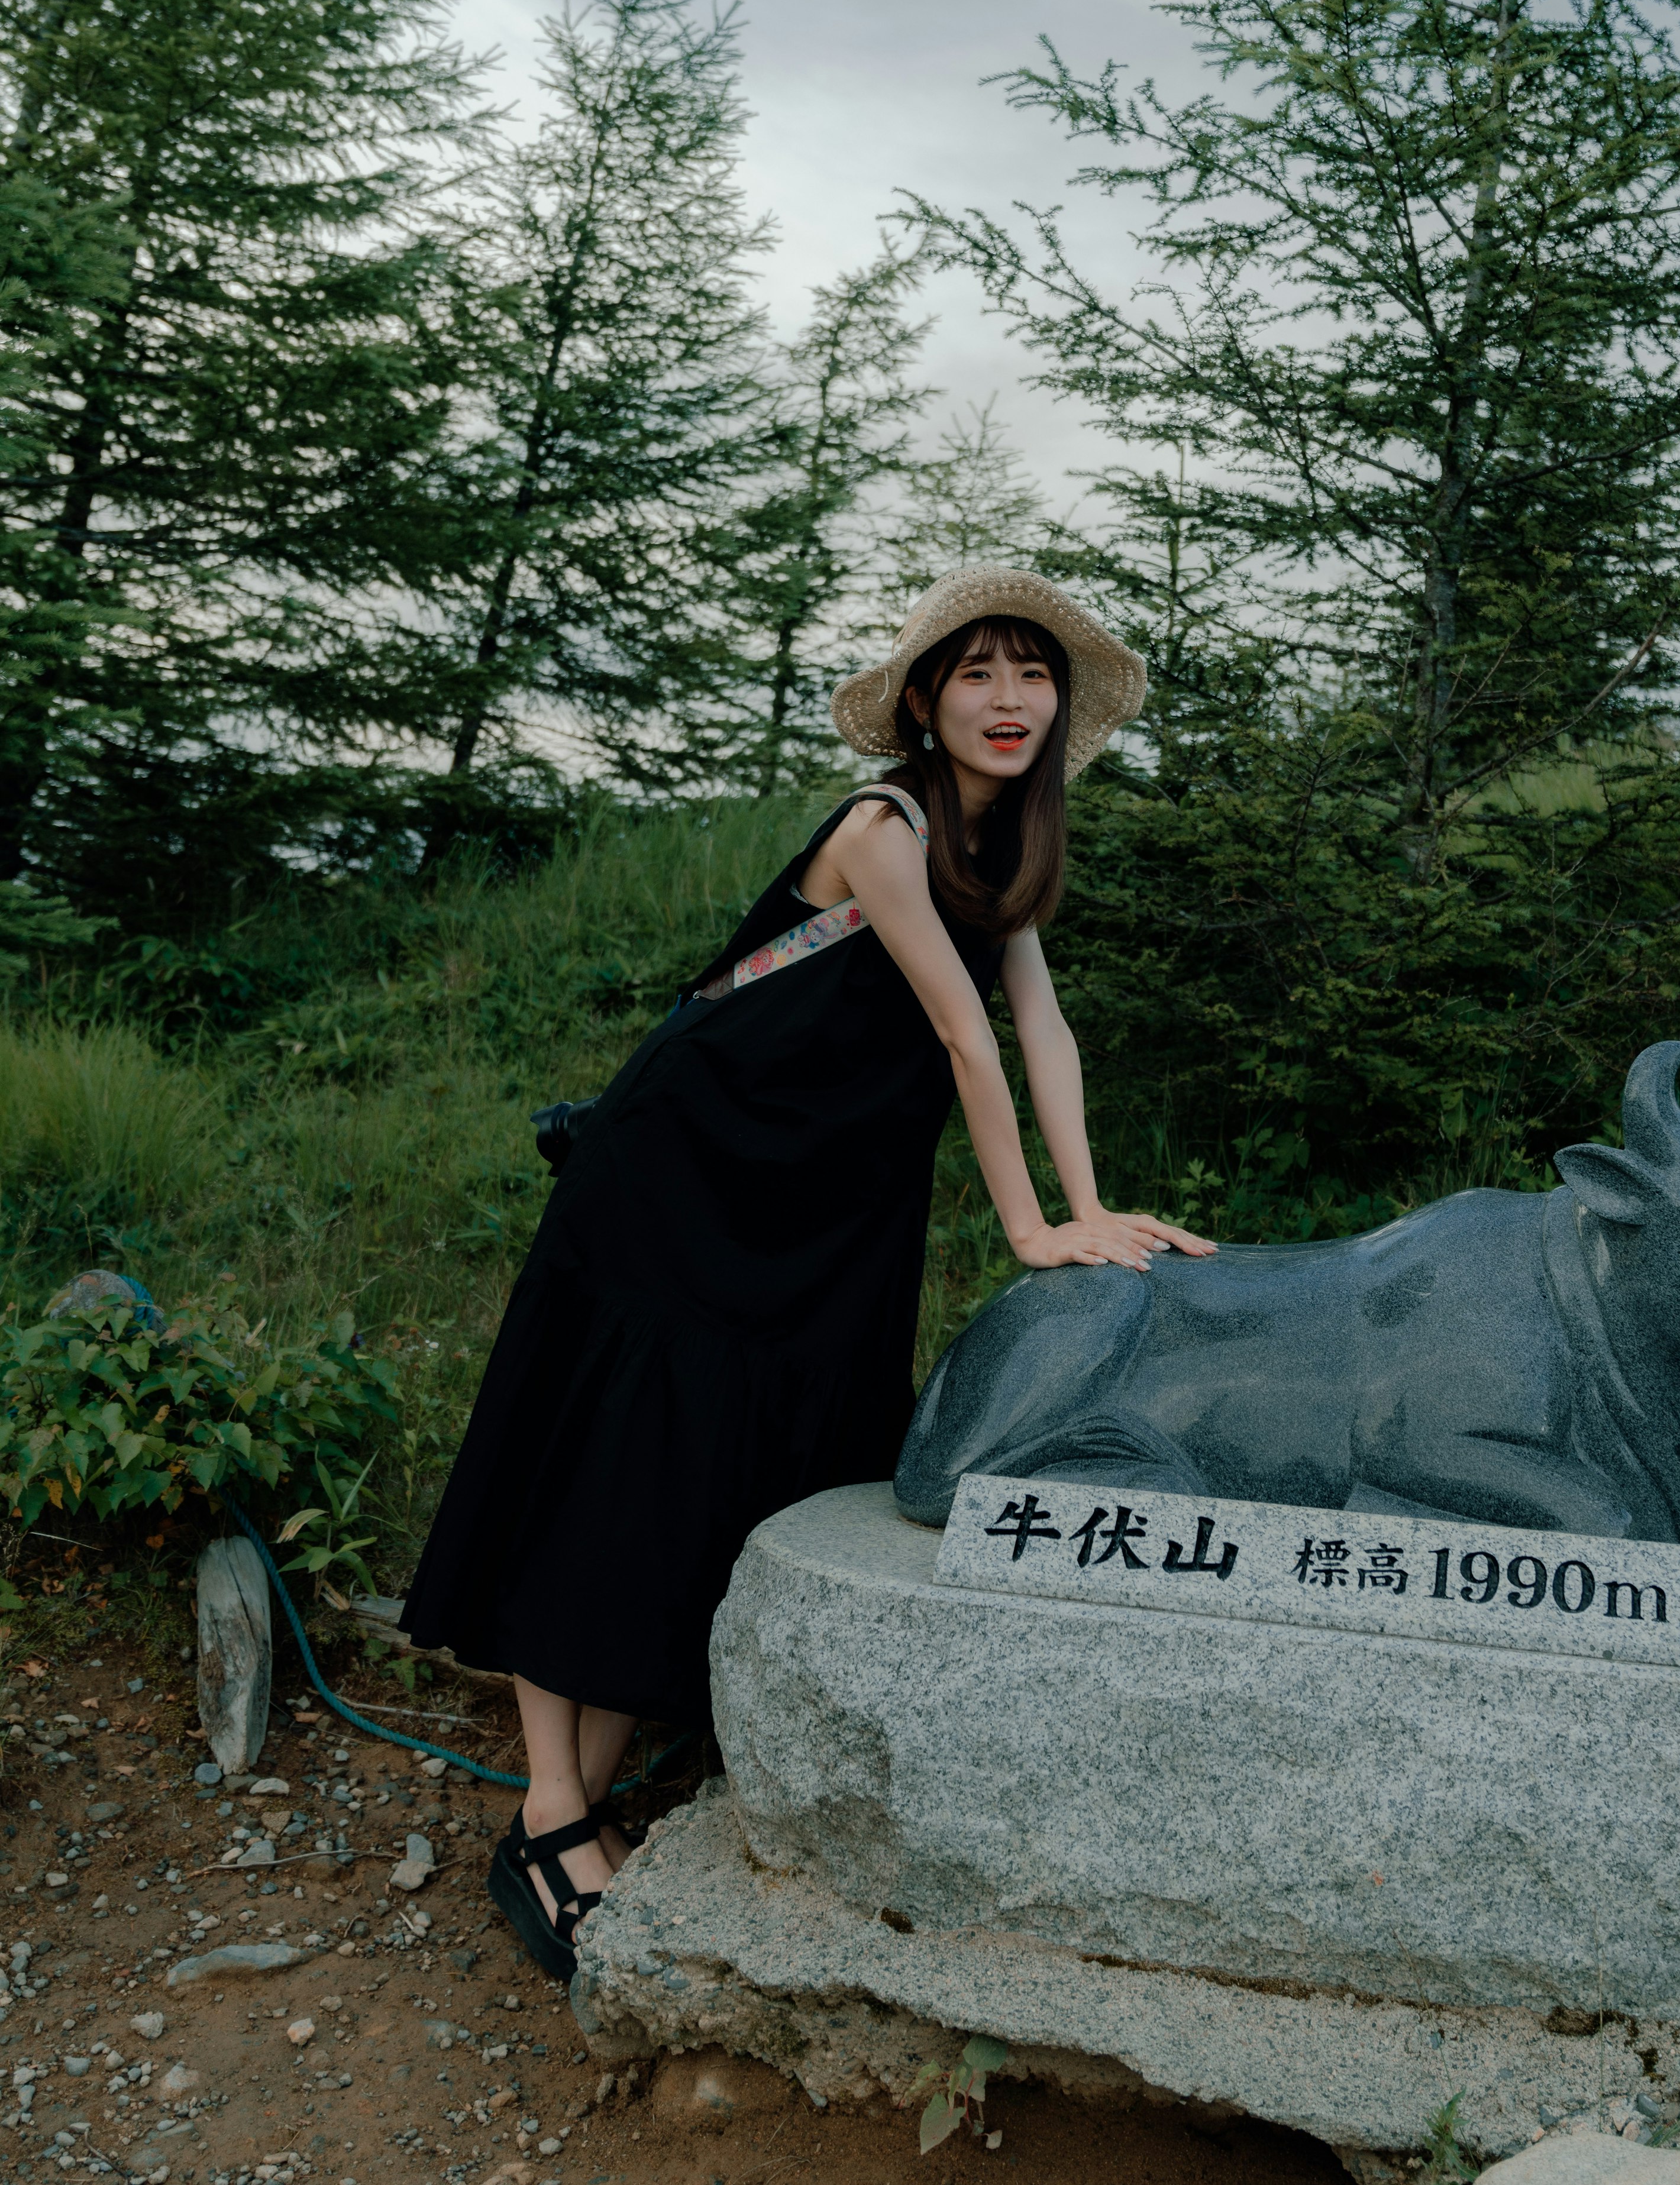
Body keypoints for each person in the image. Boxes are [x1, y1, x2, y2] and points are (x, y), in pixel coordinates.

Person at [399, 565, 1212, 1979]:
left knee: (725, 1473)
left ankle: (582, 1801)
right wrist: (1030, 1230)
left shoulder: (1000, 856)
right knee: (612, 1465)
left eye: (1034, 674)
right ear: (923, 698)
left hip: (820, 1201)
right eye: (979, 671)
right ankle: (546, 1815)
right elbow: (966, 1040)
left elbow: (1043, 1029)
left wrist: (1096, 1208)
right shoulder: (886, 824)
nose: (1010, 698)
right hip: (687, 1169)